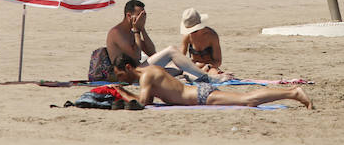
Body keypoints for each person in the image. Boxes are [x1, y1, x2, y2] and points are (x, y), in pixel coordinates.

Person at [109, 54, 312, 109]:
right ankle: (293, 94)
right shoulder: (149, 73)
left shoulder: (146, 76)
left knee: (247, 100)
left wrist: (122, 93)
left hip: (199, 96)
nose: (122, 79)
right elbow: (151, 100)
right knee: (246, 99)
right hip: (197, 94)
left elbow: (143, 103)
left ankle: (293, 93)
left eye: (120, 75)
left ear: (128, 68)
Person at [105, 0, 223, 83]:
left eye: (144, 15)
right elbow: (135, 56)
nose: (143, 17)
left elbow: (152, 52)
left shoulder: (133, 31)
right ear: (129, 16)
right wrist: (136, 31)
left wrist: (142, 29)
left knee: (179, 65)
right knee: (171, 50)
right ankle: (207, 78)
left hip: (139, 71)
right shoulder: (117, 32)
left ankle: (203, 75)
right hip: (129, 75)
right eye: (140, 15)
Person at [179, 8, 232, 80]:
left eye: (194, 30)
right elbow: (180, 58)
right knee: (186, 75)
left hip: (210, 67)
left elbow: (218, 61)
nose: (191, 33)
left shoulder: (212, 36)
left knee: (214, 74)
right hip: (194, 67)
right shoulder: (187, 36)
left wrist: (207, 67)